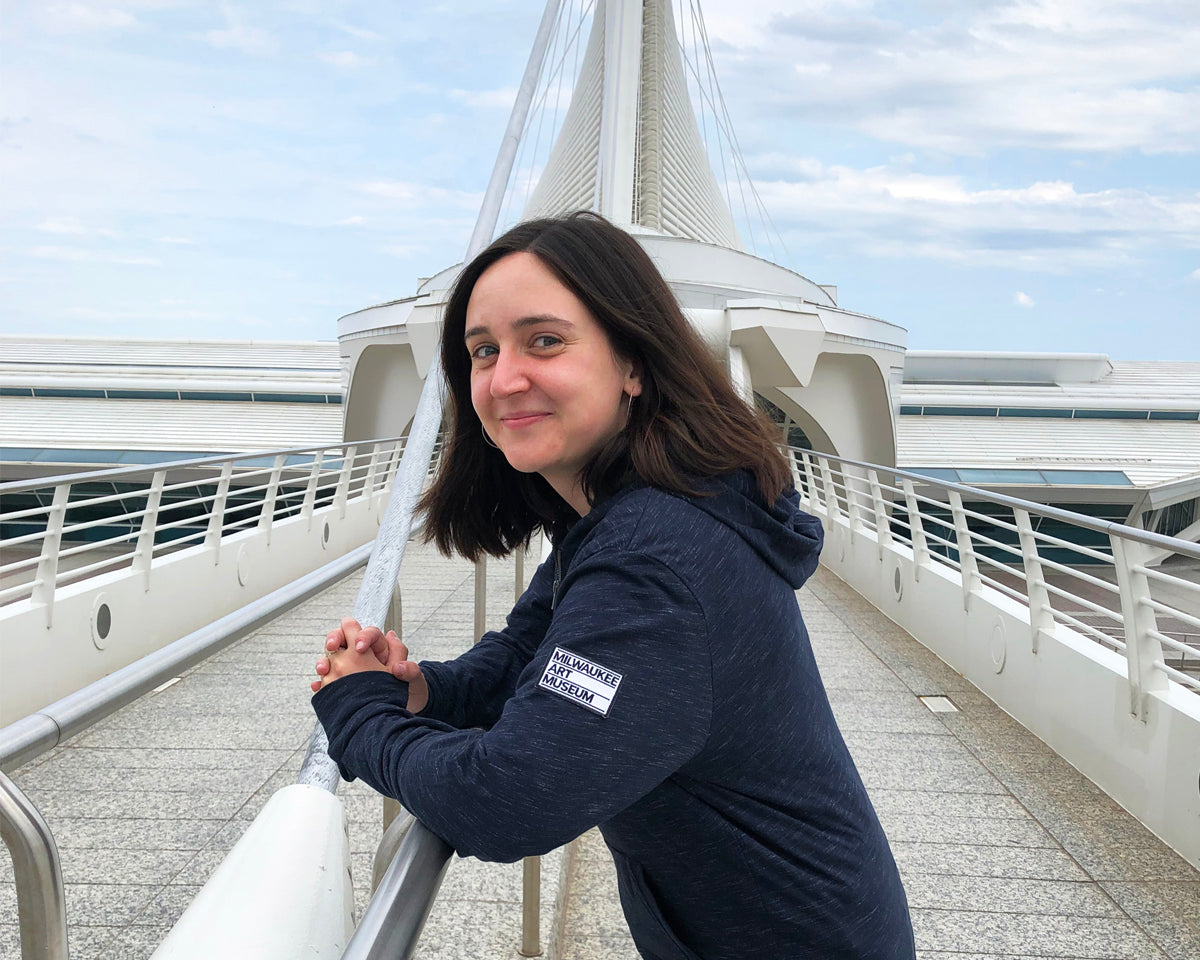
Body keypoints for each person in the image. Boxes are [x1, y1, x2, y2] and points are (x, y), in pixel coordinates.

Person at [311, 212, 915, 960]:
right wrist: (418, 692)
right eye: (482, 351)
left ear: (633, 362)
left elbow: (508, 799)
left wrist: (357, 716)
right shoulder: (633, 514)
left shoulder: (656, 558)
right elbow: (523, 658)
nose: (504, 378)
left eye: (545, 341)